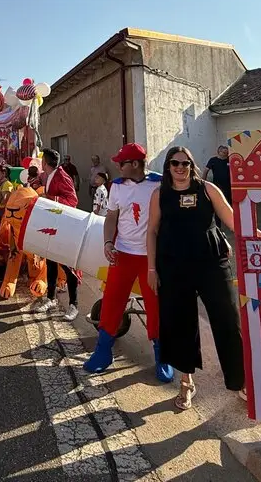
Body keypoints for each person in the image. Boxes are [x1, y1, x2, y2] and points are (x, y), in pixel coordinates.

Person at [148, 146, 261, 409]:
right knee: (180, 324)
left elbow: (235, 222)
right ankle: (186, 382)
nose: (180, 168)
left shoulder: (208, 190)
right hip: (173, 266)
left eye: (185, 163)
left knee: (227, 321)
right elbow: (151, 231)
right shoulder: (159, 194)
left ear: (192, 165)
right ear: (168, 166)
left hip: (211, 262)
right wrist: (151, 269)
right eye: (175, 163)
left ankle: (239, 381)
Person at [83, 143, 171, 382]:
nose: (117, 166)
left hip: (151, 256)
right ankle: (103, 352)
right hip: (123, 254)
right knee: (112, 301)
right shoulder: (116, 187)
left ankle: (162, 356)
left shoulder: (160, 183)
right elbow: (111, 217)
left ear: (134, 164)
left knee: (155, 305)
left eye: (121, 163)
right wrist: (107, 243)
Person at [33, 149, 81, 321]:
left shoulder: (62, 176)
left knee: (68, 267)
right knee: (51, 263)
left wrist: (49, 197)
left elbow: (72, 200)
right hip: (53, 225)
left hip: (65, 227)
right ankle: (51, 298)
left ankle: (74, 305)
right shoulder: (50, 175)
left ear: (45, 162)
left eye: (42, 161)